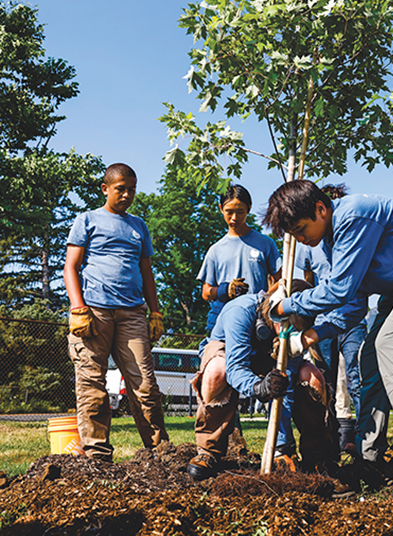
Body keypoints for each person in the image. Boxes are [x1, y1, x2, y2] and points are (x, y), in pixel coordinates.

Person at [264, 179, 393, 490]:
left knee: (392, 343)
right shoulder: (333, 243)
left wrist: (286, 305)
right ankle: (369, 459)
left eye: (300, 230)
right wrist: (313, 335)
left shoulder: (355, 215)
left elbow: (339, 290)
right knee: (371, 353)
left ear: (321, 209)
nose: (301, 239)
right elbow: (351, 307)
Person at [187, 280, 345, 491]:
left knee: (313, 377)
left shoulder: (291, 335)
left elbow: (286, 386)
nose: (292, 333)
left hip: (267, 362)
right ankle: (209, 451)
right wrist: (259, 387)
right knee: (218, 370)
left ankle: (316, 456)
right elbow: (235, 368)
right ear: (276, 310)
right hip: (230, 356)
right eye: (289, 326)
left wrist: (282, 446)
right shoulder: (240, 311)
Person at [63, 163, 168, 461]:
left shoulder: (139, 226)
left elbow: (147, 273)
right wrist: (77, 307)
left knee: (145, 385)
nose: (127, 195)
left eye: (132, 189)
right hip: (94, 312)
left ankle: (160, 452)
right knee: (92, 382)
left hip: (133, 313)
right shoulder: (87, 221)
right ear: (105, 189)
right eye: (120, 188)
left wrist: (155, 313)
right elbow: (70, 267)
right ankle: (97, 453)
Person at [295, 184, 366, 453]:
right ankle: (328, 443)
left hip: (353, 318)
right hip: (323, 321)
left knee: (357, 377)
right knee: (322, 380)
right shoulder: (308, 242)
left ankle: (364, 441)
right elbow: (307, 281)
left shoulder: (351, 235)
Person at [197, 184, 281, 333]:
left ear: (249, 209)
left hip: (258, 322)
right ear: (221, 208)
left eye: (240, 212)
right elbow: (206, 292)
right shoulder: (215, 250)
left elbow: (281, 280)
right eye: (229, 212)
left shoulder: (265, 244)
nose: (234, 218)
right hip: (222, 322)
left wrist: (265, 298)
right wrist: (225, 290)